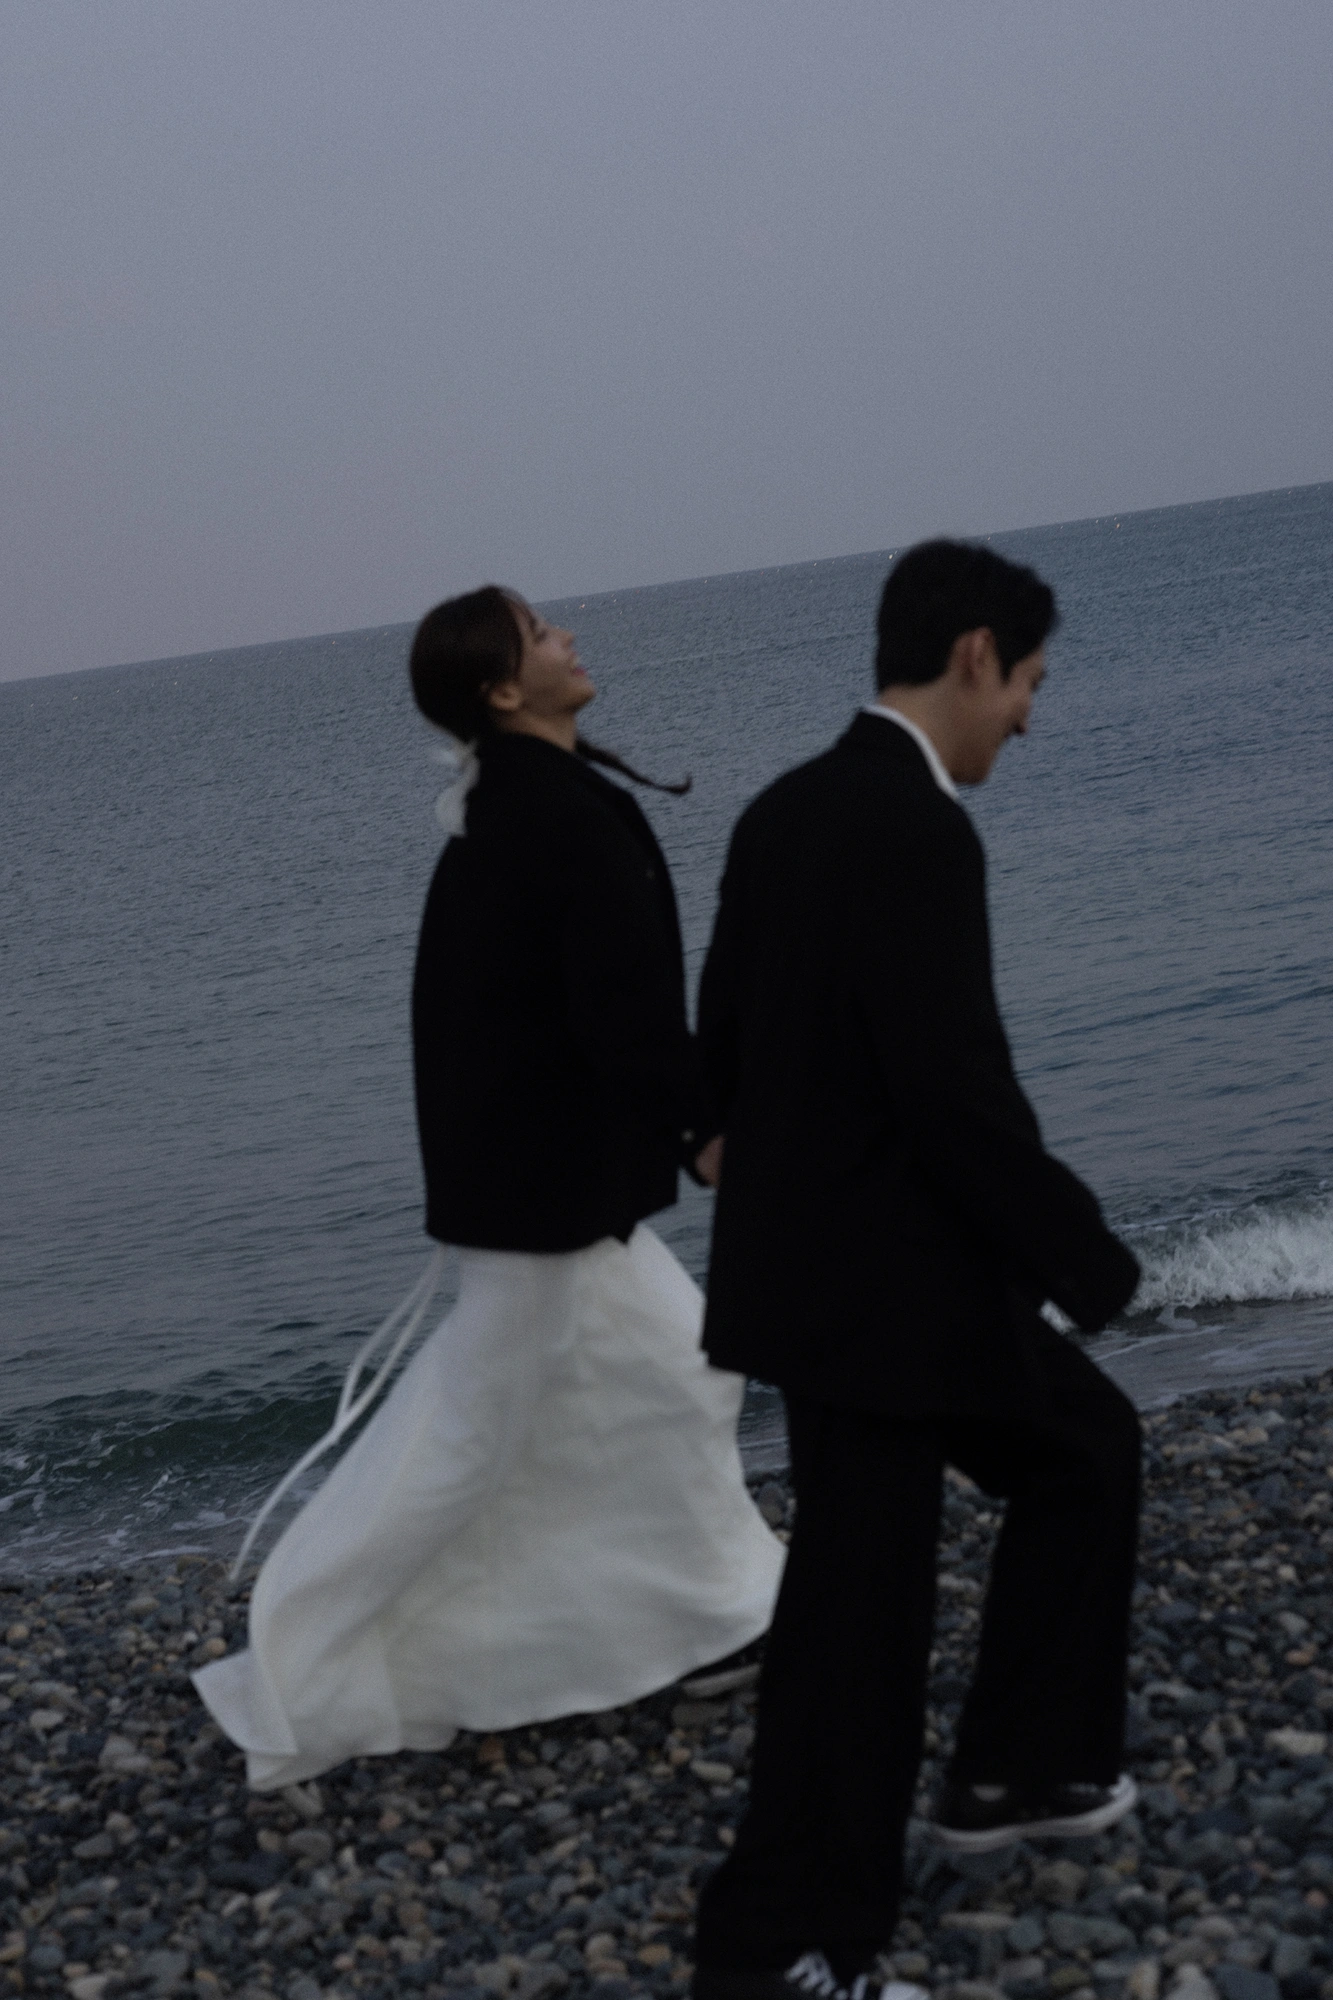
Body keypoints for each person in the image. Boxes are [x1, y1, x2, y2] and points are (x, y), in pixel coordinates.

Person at [194, 585, 783, 1791]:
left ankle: (712, 1617)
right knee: (474, 1437)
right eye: (541, 632)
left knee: (669, 1376)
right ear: (505, 689)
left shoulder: (524, 802)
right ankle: (311, 1656)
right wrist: (702, 1129)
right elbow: (617, 1012)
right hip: (537, 1197)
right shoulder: (544, 814)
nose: (569, 635)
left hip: (537, 1188)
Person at [689, 541, 1143, 2000]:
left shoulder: (783, 808)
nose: (1028, 717)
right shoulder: (917, 830)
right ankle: (784, 1944)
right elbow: (952, 1088)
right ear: (973, 656)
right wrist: (1085, 1255)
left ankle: (1022, 1767)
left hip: (863, 1282)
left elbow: (718, 1039)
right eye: (1028, 683)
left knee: (1083, 1447)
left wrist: (719, 1142)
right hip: (880, 1300)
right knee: (855, 1622)